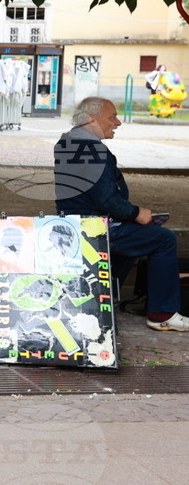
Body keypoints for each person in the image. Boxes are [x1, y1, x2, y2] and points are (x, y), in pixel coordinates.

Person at [54, 96, 188, 331]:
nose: (117, 122)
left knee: (135, 241)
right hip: (94, 228)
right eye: (112, 116)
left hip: (74, 224)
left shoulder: (66, 142)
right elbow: (106, 199)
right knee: (163, 239)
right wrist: (137, 213)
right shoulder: (93, 149)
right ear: (91, 119)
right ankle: (162, 314)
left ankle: (103, 301)